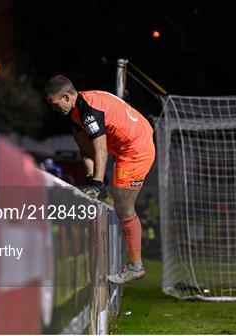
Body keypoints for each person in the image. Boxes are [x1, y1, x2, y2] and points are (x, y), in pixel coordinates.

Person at [45, 74, 155, 284]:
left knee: (124, 208)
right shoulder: (77, 113)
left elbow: (101, 150)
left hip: (136, 150)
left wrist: (97, 184)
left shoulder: (89, 111)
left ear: (67, 97)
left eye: (55, 104)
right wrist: (92, 179)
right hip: (128, 144)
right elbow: (86, 151)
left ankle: (135, 266)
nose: (54, 109)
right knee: (113, 199)